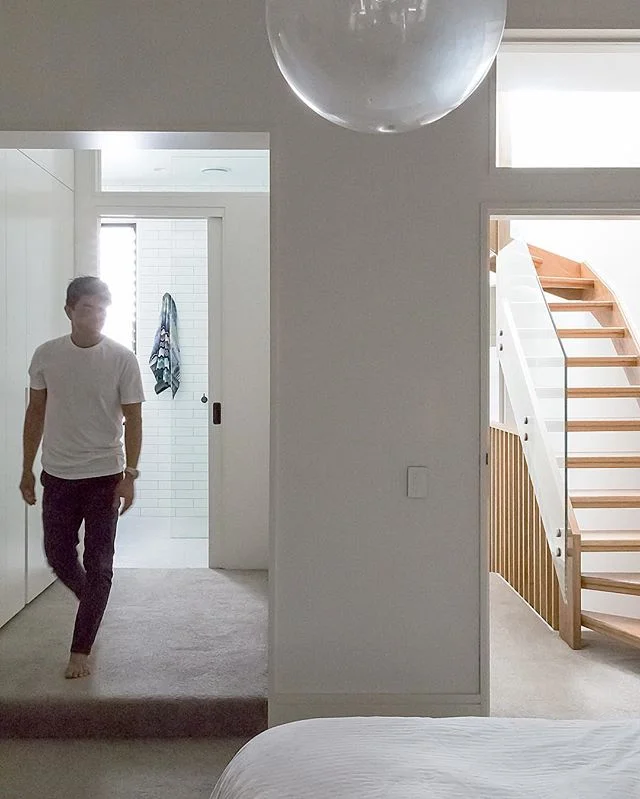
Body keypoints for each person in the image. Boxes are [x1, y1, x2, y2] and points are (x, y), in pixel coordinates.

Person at [19, 276, 145, 679]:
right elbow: (34, 413)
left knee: (100, 564)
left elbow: (134, 419)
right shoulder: (46, 356)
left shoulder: (122, 358)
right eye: (87, 307)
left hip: (105, 475)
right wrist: (26, 468)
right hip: (57, 474)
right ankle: (91, 600)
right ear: (70, 310)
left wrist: (130, 475)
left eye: (103, 308)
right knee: (58, 556)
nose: (96, 316)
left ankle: (81, 649)